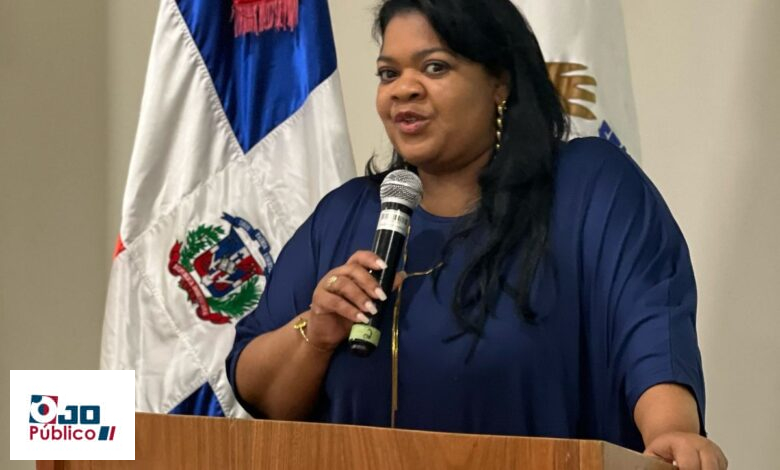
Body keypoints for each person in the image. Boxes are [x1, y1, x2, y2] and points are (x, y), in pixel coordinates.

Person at [227, 0, 727, 468]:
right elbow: (259, 392)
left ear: (499, 82)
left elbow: (650, 323)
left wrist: (671, 431)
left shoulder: (587, 186)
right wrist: (316, 333)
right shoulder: (347, 215)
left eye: (434, 67)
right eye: (389, 73)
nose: (403, 89)